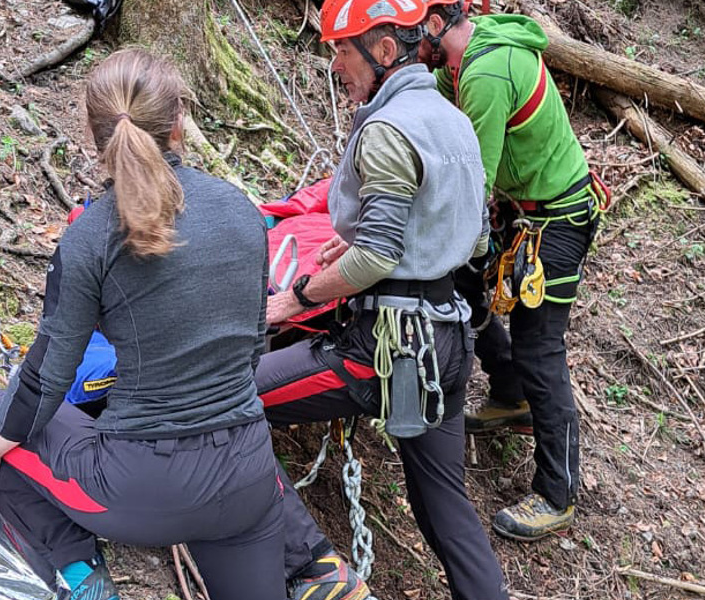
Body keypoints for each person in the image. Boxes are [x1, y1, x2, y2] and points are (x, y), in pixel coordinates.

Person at [0, 49, 286, 600]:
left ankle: (83, 577)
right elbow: (253, 344)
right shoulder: (241, 209)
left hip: (141, 487)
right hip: (251, 474)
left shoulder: (91, 236)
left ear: (92, 131)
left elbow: (46, 379)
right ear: (181, 118)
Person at [259, 1, 508, 599]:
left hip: (384, 348)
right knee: (443, 503)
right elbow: (473, 237)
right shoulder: (453, 121)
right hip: (448, 343)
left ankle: (307, 562)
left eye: (344, 51)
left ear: (385, 52)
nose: (337, 64)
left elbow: (375, 259)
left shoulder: (387, 129)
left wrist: (294, 300)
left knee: (233, 400)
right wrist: (363, 234)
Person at [417, 0, 607, 542]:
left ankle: (557, 491)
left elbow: (472, 179)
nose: (407, 49)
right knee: (468, 289)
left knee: (541, 347)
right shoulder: (457, 64)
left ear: (435, 24)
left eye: (410, 34)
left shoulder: (485, 73)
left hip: (560, 218)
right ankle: (510, 395)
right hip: (526, 209)